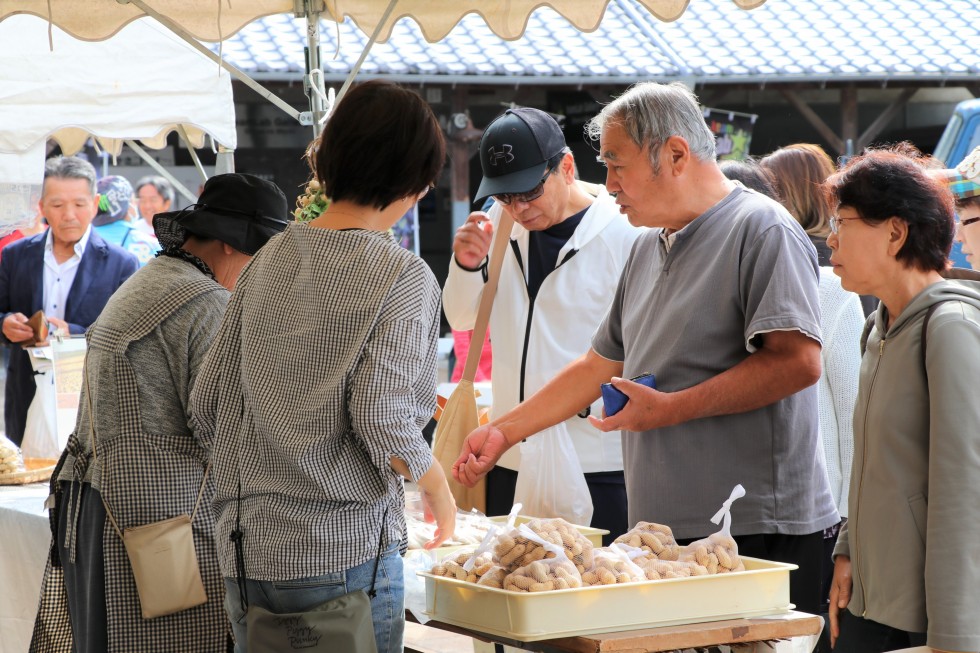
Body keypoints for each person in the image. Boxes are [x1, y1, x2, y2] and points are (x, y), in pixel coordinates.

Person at [453, 82, 838, 616]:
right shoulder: (647, 245)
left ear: (676, 155)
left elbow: (798, 362)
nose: (608, 183)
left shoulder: (762, 228)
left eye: (617, 165)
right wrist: (502, 431)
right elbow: (597, 365)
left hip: (755, 531)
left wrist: (671, 410)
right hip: (663, 532)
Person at [191, 80, 456, 653]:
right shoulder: (401, 274)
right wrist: (439, 487)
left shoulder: (268, 258)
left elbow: (207, 400)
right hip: (340, 550)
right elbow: (381, 416)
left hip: (246, 549)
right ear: (413, 177)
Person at [29, 173, 289, 653]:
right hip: (157, 526)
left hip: (101, 508)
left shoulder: (152, 279)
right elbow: (228, 431)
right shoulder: (207, 301)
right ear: (232, 245)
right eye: (262, 254)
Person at [443, 107, 642, 541]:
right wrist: (465, 264)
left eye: (529, 192)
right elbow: (460, 318)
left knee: (595, 594)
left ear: (566, 167)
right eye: (505, 196)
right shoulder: (496, 226)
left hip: (597, 460)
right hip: (508, 456)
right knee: (511, 591)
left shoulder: (626, 234)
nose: (518, 208)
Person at [825, 146, 980, 653]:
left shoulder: (949, 327)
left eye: (844, 222)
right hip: (874, 597)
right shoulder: (879, 326)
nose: (831, 239)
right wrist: (848, 550)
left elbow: (964, 491)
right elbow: (874, 460)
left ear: (895, 232)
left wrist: (955, 637)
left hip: (931, 615)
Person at [0, 156, 138, 446]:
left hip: (89, 396)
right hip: (25, 389)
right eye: (58, 205)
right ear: (41, 206)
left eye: (79, 203)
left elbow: (131, 336)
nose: (69, 215)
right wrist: (5, 324)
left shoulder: (120, 263)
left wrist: (71, 333)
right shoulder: (16, 256)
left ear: (95, 202)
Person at [92, 175, 161, 266]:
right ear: (126, 205)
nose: (136, 204)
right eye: (132, 200)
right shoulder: (152, 246)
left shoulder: (81, 242)